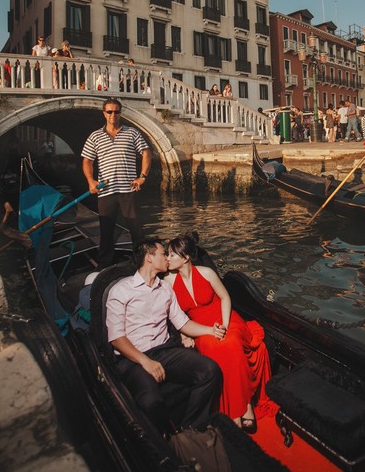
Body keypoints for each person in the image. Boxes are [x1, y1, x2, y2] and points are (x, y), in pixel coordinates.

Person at [103, 239, 223, 435]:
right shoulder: (121, 290)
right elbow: (116, 338)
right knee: (150, 401)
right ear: (149, 258)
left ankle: (190, 430)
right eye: (162, 254)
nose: (167, 258)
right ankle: (163, 441)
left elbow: (182, 323)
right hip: (132, 357)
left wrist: (210, 330)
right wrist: (145, 361)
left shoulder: (165, 288)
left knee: (210, 371)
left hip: (165, 350)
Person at [165, 232, 276, 432]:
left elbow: (225, 298)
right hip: (200, 326)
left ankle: (246, 405)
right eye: (167, 254)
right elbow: (171, 313)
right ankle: (234, 410)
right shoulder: (169, 282)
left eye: (172, 255)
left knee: (231, 341)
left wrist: (224, 325)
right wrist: (184, 333)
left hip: (226, 318)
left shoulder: (207, 273)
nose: (167, 258)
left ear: (186, 257)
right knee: (211, 345)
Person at [82, 98, 151, 268]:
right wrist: (91, 181)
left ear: (120, 113)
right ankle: (104, 265)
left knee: (136, 229)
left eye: (117, 111)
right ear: (104, 113)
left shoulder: (132, 133)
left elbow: (146, 152)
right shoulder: (95, 136)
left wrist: (142, 176)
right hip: (106, 191)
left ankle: (141, 263)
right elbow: (87, 161)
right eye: (110, 111)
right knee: (106, 231)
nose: (113, 114)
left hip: (129, 189)